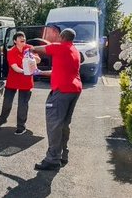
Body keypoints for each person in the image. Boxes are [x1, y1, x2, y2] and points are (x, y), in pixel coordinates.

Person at [32, 27, 82, 171]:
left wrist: (28, 47)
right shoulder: (73, 50)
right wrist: (40, 71)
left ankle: (52, 159)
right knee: (64, 124)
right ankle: (62, 155)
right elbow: (58, 70)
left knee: (54, 125)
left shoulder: (59, 47)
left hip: (62, 92)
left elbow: (39, 48)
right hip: (74, 90)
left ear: (61, 37)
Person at [0, 31, 40, 134]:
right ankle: (2, 120)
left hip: (26, 82)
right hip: (13, 81)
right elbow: (15, 67)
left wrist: (33, 58)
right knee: (7, 103)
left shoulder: (30, 48)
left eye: (23, 38)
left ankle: (21, 126)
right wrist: (25, 71)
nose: (23, 40)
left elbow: (38, 60)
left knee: (22, 105)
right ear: (15, 41)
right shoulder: (11, 51)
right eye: (20, 39)